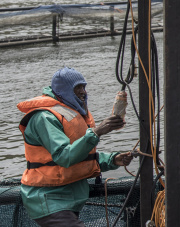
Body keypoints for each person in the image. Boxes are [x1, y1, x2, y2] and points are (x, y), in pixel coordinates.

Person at [17, 67, 133, 226]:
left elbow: (82, 157)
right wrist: (97, 131)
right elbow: (64, 157)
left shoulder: (72, 114)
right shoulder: (44, 117)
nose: (83, 92)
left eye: (84, 87)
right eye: (77, 87)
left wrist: (113, 159)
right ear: (63, 90)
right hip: (49, 200)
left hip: (68, 199)